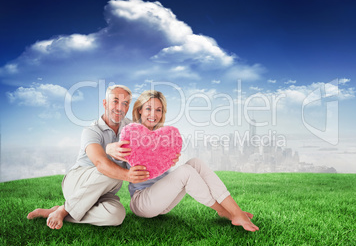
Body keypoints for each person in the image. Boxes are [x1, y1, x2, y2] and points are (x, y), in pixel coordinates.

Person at [107, 90, 259, 232]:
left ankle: (234, 210)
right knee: (185, 172)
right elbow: (111, 159)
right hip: (143, 203)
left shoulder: (164, 138)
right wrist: (110, 149)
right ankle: (227, 212)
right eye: (148, 108)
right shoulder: (129, 135)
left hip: (164, 202)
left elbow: (164, 170)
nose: (153, 114)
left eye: (158, 110)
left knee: (195, 162)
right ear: (139, 109)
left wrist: (168, 160)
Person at [27, 85, 153, 229]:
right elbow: (100, 163)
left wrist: (168, 156)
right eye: (115, 101)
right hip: (77, 182)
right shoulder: (92, 131)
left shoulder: (132, 128)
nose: (119, 107)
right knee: (111, 171)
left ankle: (62, 210)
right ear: (105, 103)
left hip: (104, 191)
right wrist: (128, 174)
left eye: (125, 103)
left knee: (116, 216)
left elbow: (149, 150)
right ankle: (64, 210)